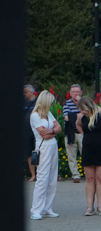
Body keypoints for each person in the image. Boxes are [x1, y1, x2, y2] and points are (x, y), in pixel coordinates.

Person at [29, 90, 61, 220]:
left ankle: (47, 207)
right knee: (42, 178)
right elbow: (44, 135)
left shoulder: (49, 114)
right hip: (44, 147)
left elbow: (58, 128)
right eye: (51, 102)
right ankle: (36, 209)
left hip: (53, 146)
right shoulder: (35, 116)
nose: (52, 104)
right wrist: (53, 132)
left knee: (52, 178)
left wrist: (52, 131)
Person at [62, 84, 83, 183]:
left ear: (81, 93)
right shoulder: (67, 104)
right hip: (70, 132)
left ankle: (89, 173)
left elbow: (88, 113)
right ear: (70, 93)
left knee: (86, 153)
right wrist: (79, 115)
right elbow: (66, 117)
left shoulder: (84, 103)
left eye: (77, 92)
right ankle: (75, 175)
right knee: (71, 156)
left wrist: (80, 103)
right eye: (73, 92)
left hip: (82, 132)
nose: (75, 94)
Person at [23, 84, 37, 181]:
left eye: (26, 92)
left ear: (32, 92)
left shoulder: (38, 102)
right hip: (26, 131)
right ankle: (33, 175)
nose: (24, 94)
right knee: (29, 154)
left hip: (37, 131)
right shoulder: (23, 103)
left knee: (39, 152)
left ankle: (40, 174)